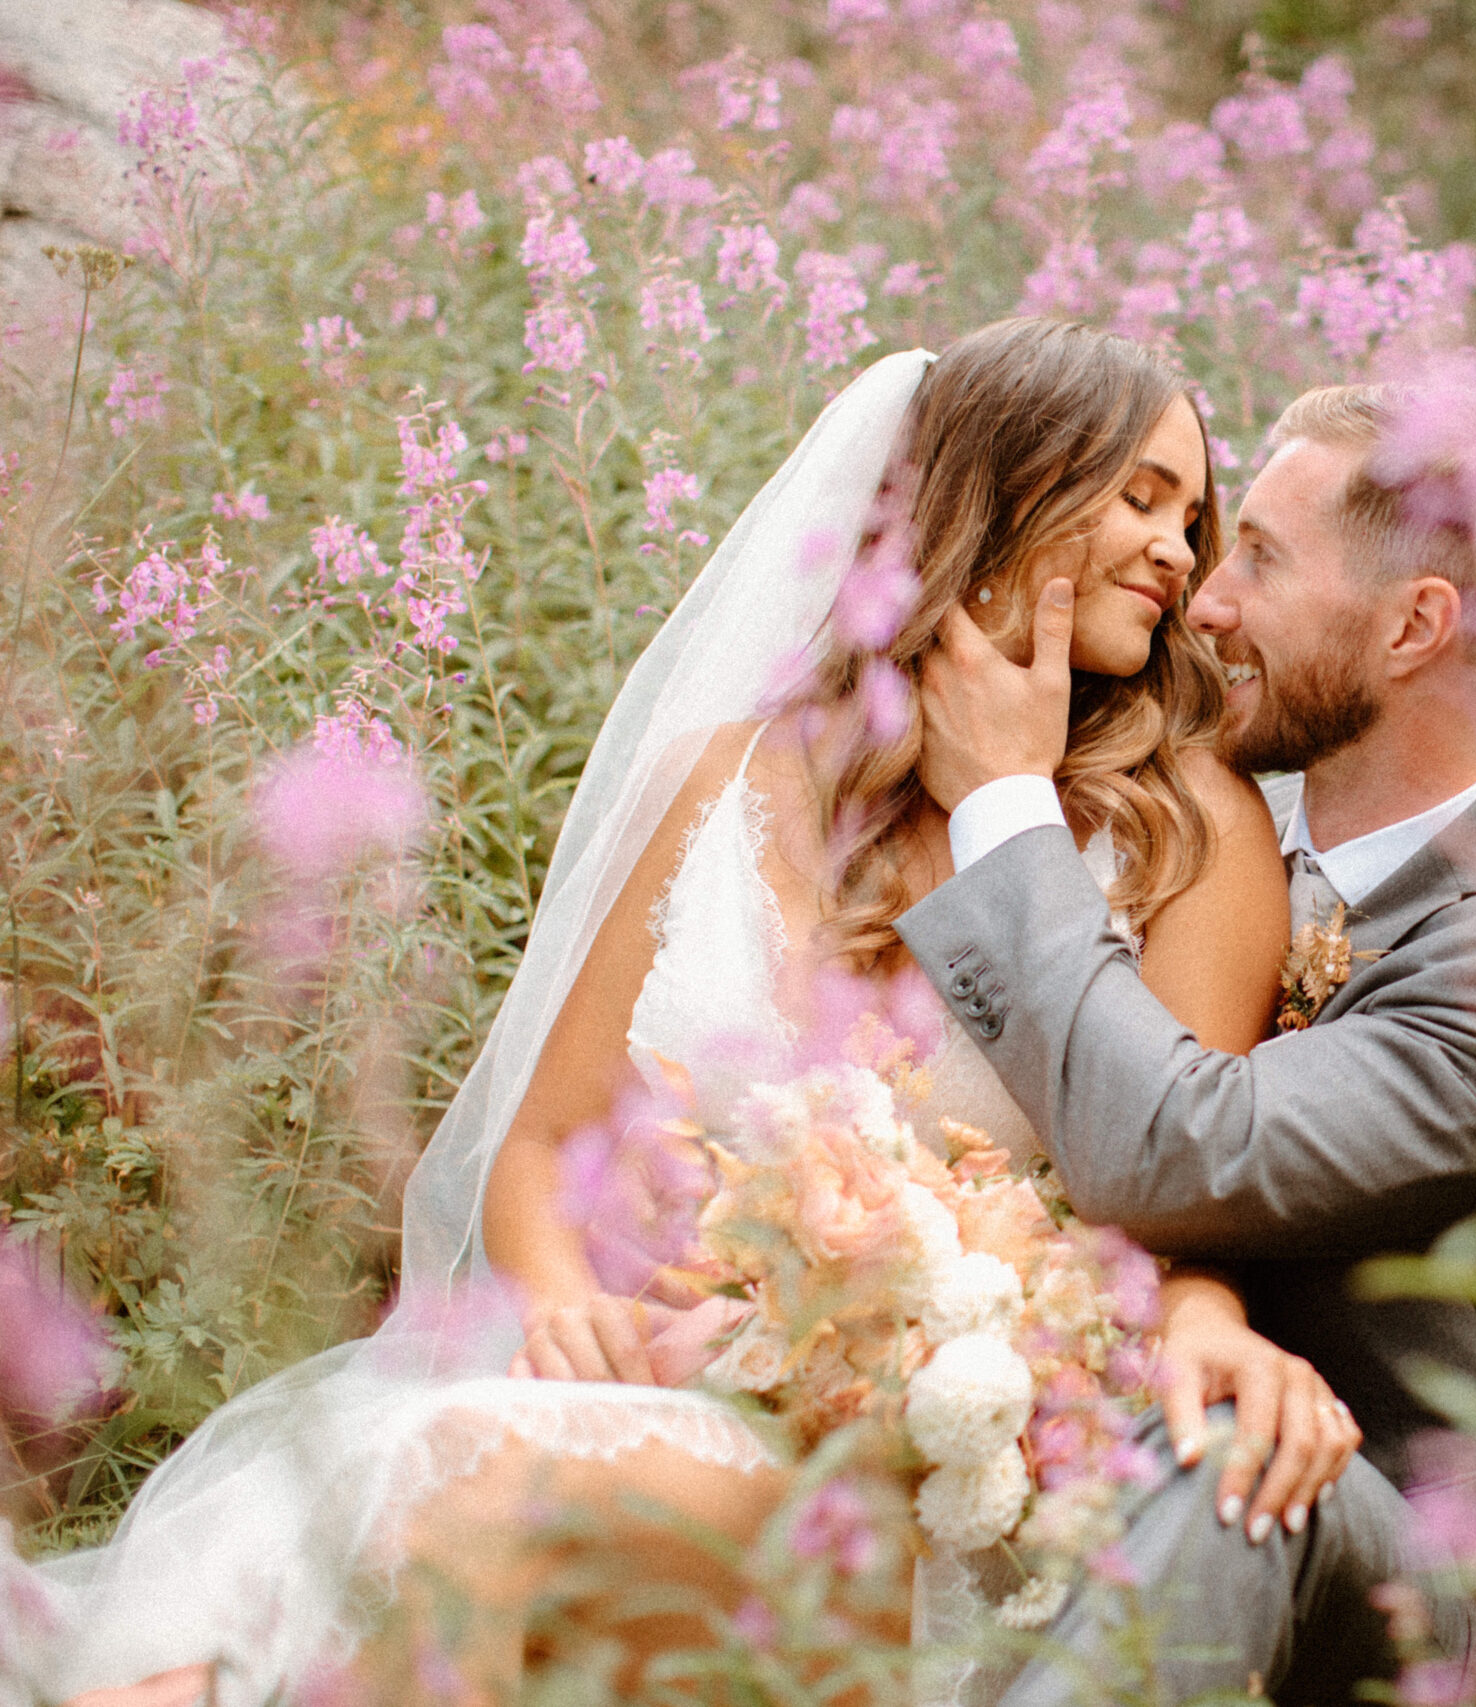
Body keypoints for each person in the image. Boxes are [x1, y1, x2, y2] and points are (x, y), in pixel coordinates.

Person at [26, 322, 1390, 1706]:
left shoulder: (1188, 835)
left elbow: (1168, 1189)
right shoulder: (731, 777)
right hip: (635, 1394)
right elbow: (543, 1146)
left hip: (920, 1474)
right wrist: (561, 1309)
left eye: (1198, 514)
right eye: (1143, 496)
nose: (1183, 553)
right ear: (1009, 485)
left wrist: (1076, 1319)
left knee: (475, 1507)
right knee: (274, 1579)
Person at [904, 377, 1476, 1703]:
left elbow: (1178, 1149)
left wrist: (1006, 812)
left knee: (1243, 1464)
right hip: (1117, 1433)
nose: (1206, 603)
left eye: (1258, 559)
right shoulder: (1196, 813)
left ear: (1416, 626)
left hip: (1431, 1578)